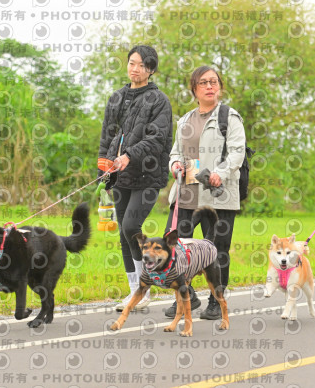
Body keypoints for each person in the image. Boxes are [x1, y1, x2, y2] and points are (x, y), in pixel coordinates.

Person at [163, 65, 246, 320]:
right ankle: (186, 296)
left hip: (218, 195)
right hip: (185, 194)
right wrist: (174, 165)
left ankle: (216, 301)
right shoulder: (185, 120)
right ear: (194, 89)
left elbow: (237, 153)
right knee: (174, 248)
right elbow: (175, 152)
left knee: (217, 250)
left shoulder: (229, 117)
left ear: (219, 86)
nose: (210, 86)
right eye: (203, 82)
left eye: (214, 82)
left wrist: (221, 172)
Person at [98, 45, 172, 311]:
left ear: (151, 70)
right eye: (132, 63)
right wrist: (103, 170)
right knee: (123, 232)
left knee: (131, 226)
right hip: (120, 175)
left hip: (148, 174)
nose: (135, 69)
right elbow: (107, 135)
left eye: (142, 65)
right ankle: (136, 292)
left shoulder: (159, 100)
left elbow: (157, 138)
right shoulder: (116, 98)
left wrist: (130, 154)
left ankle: (146, 284)